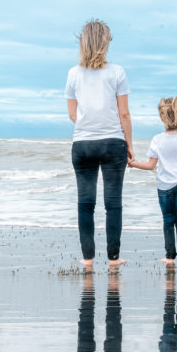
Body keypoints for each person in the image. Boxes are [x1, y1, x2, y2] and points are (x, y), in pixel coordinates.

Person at [65, 19, 133, 269]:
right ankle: (114, 259)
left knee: (85, 203)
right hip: (113, 141)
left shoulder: (73, 73)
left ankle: (88, 260)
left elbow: (73, 114)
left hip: (82, 143)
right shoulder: (117, 72)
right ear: (105, 43)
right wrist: (129, 144)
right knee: (113, 203)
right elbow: (124, 113)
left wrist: (87, 126)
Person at [129, 97, 177, 264]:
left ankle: (170, 256)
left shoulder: (157, 139)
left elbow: (150, 165)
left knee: (168, 219)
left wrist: (134, 164)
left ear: (161, 117)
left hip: (164, 185)